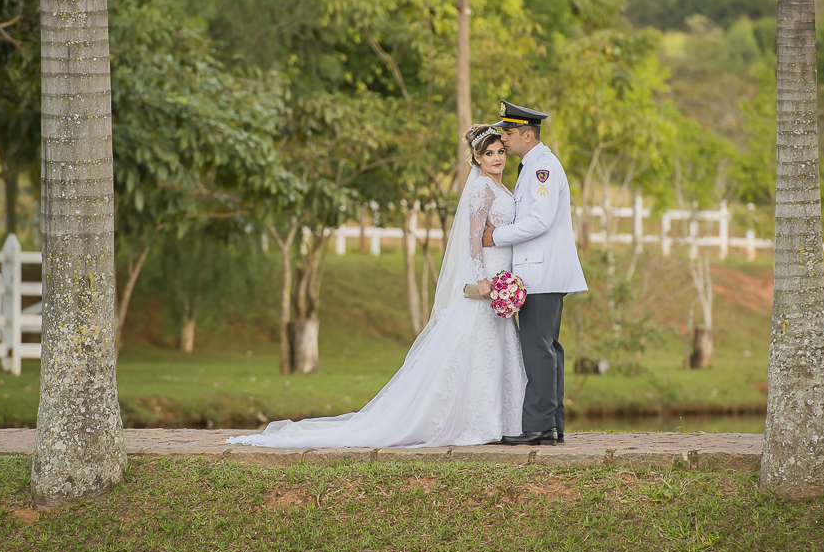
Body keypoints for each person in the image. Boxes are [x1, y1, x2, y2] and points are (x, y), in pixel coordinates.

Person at [227, 125, 527, 448]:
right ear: (477, 159)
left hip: (502, 282)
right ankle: (477, 423)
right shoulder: (482, 189)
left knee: (497, 350)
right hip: (486, 283)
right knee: (476, 351)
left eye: (499, 152)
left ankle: (501, 421)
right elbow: (473, 237)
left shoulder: (502, 188)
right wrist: (482, 278)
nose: (496, 158)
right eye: (489, 154)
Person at [482, 101, 587, 446]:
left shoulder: (542, 168)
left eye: (509, 133)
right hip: (540, 271)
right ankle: (550, 426)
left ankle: (538, 427)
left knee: (538, 349)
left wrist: (495, 236)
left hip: (541, 273)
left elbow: (539, 221)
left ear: (528, 135)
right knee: (547, 348)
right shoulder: (534, 164)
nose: (504, 139)